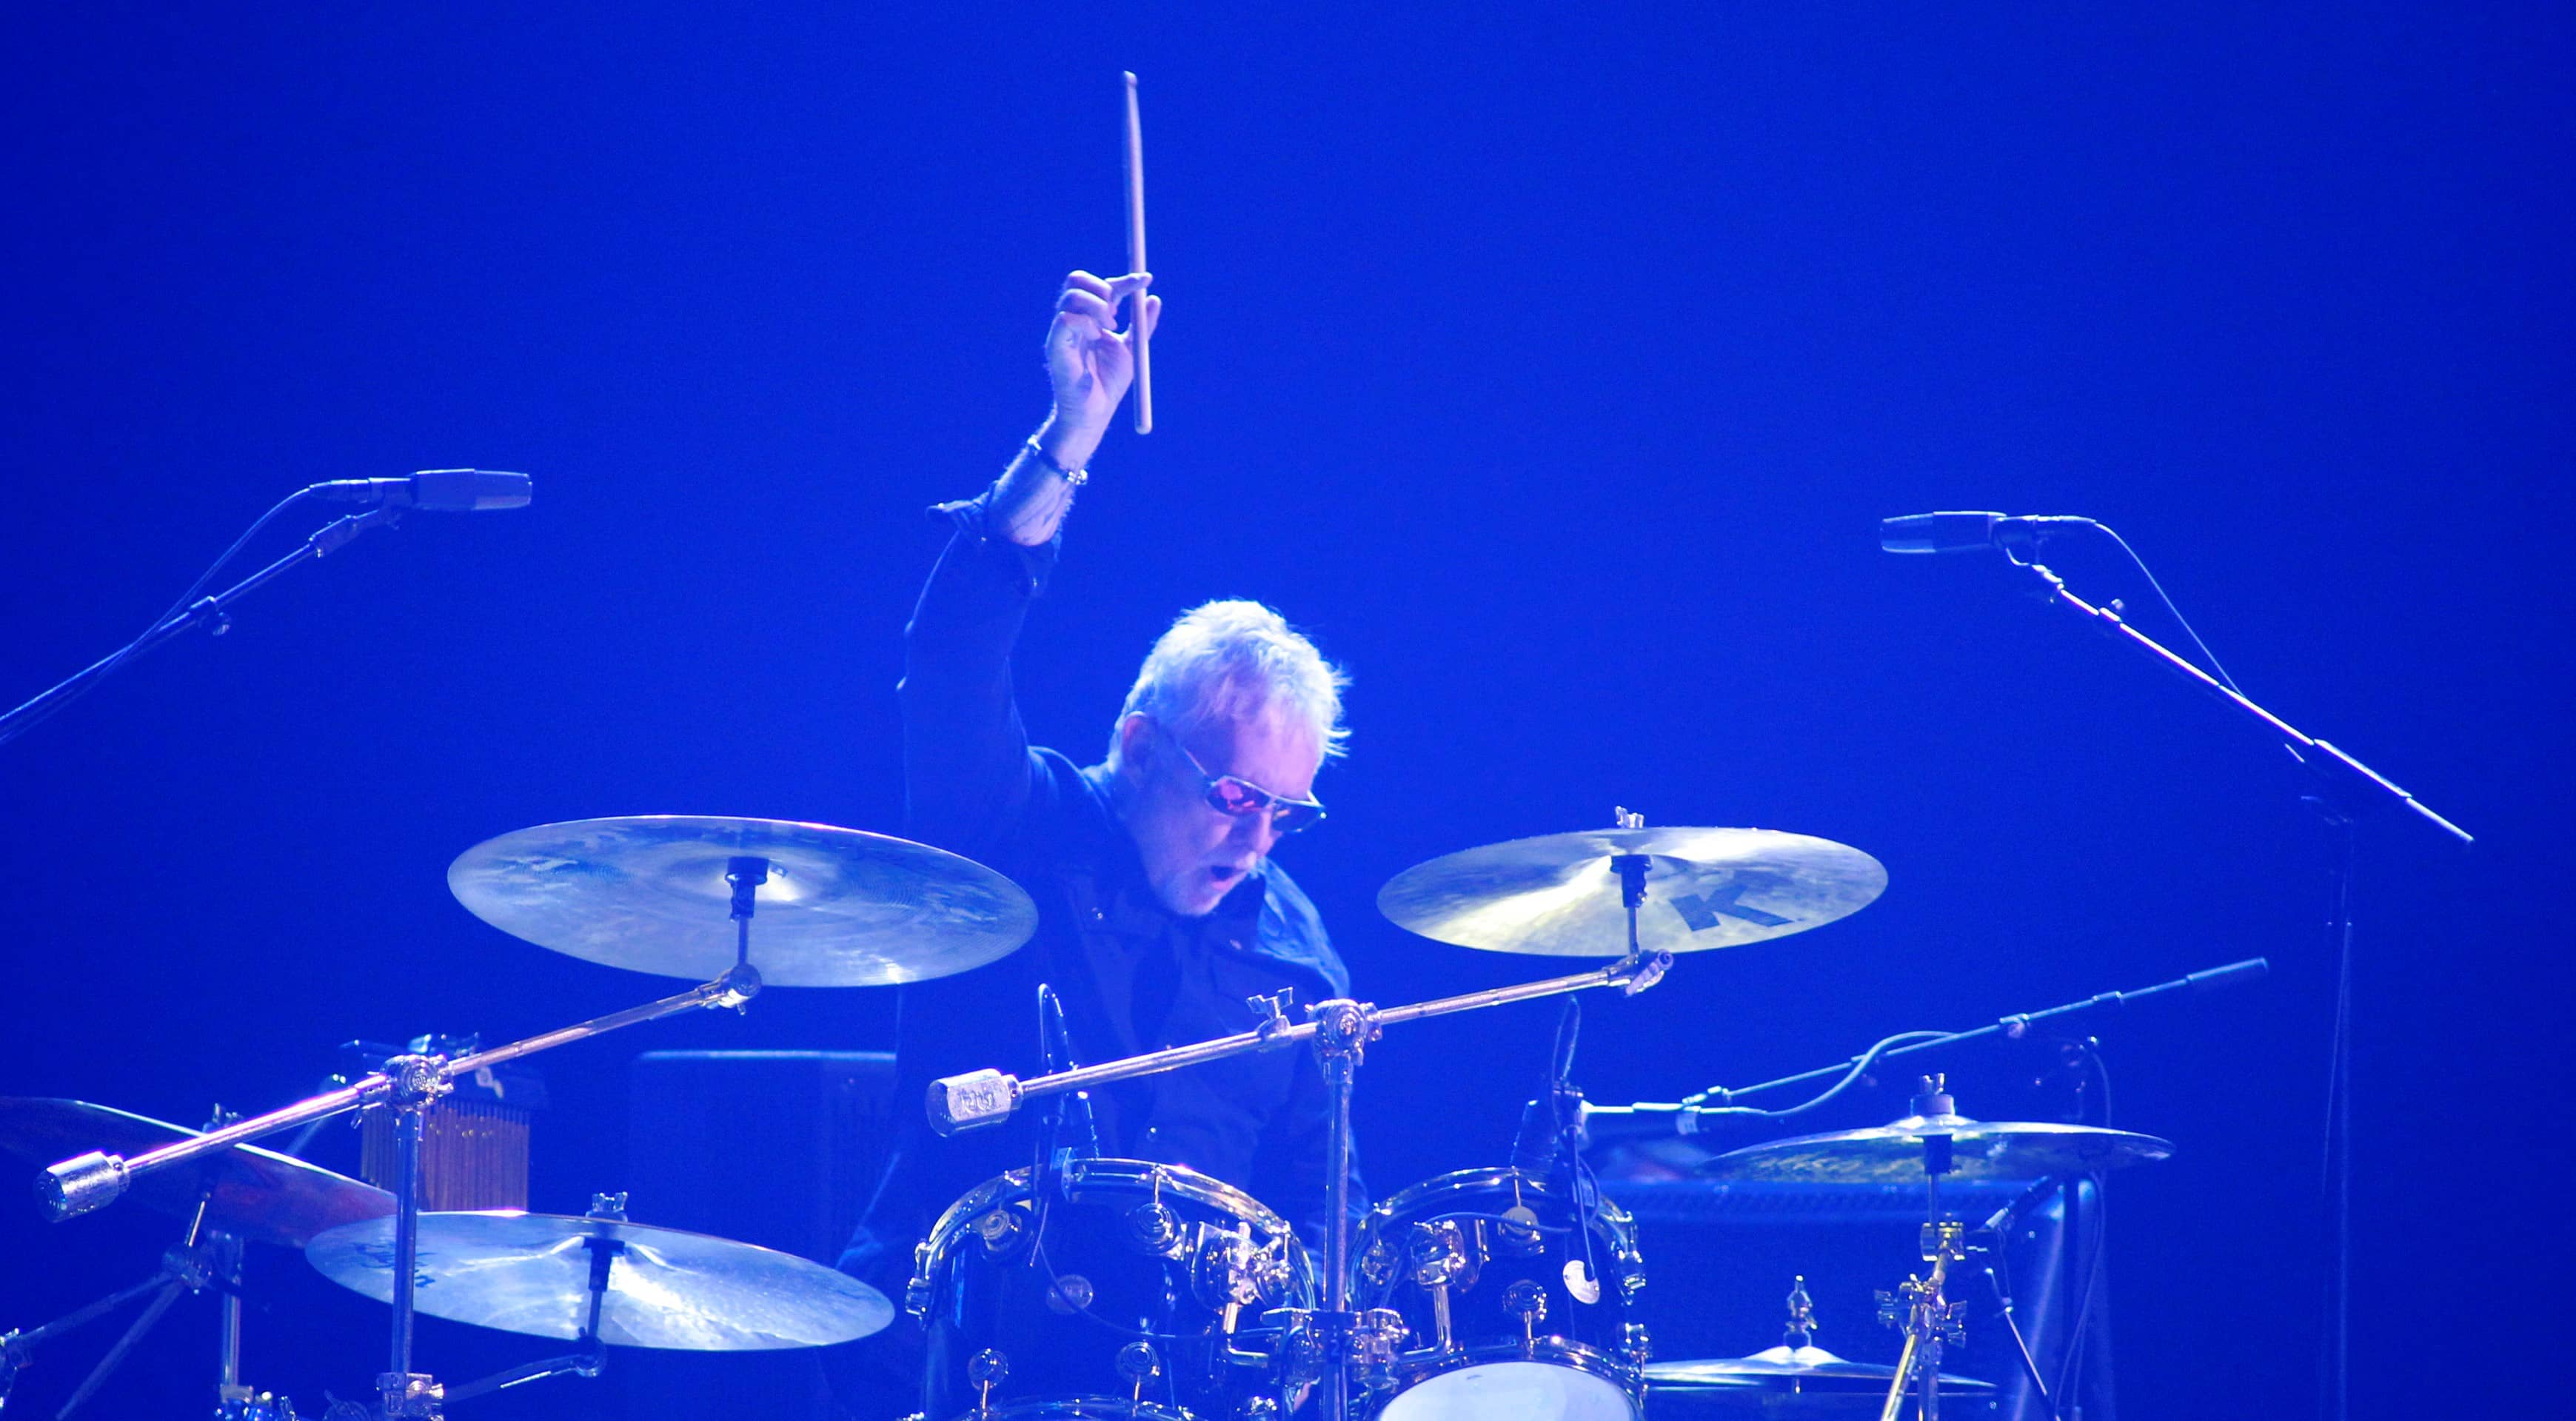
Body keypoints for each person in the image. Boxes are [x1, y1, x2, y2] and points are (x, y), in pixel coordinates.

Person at [833, 270, 1362, 1415]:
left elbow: (1330, 1226)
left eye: (1287, 811)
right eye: (1233, 795)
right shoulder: (1017, 828)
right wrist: (1068, 443)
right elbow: (950, 660)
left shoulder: (1298, 960)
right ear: (1138, 742)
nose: (1256, 840)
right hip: (939, 1370)